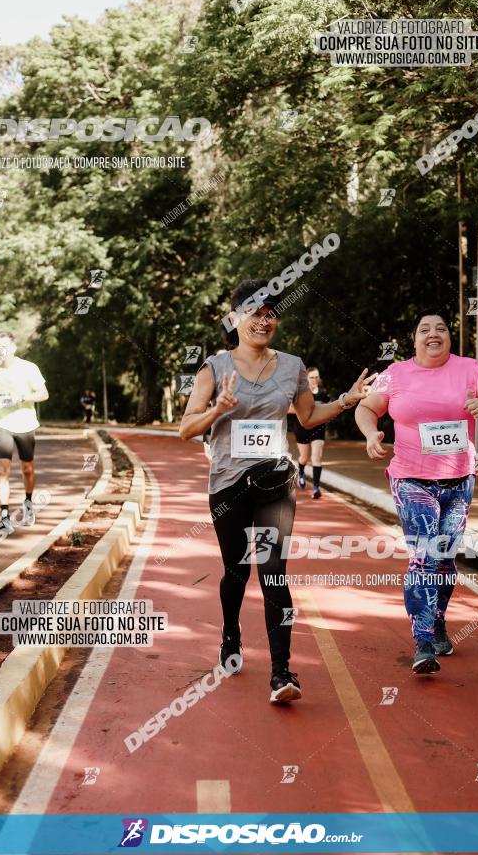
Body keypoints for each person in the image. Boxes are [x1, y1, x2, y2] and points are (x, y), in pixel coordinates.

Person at [179, 278, 374, 703]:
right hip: (228, 484)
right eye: (254, 312)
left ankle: (282, 671)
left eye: (271, 313)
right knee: (236, 569)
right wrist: (218, 410)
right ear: (235, 319)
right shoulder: (214, 369)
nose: (263, 320)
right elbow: (185, 428)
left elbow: (307, 417)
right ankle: (231, 635)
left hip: (275, 481)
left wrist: (346, 400)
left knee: (273, 572)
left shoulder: (291, 366)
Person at [355, 308, 478, 674]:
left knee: (443, 559)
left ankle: (437, 619)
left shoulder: (470, 369)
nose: (433, 333)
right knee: (423, 555)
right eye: (424, 329)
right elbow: (366, 408)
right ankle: (423, 639)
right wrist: (370, 434)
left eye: (441, 328)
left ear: (449, 338)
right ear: (415, 340)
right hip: (410, 478)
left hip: (458, 479)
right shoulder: (395, 375)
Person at [0, 331, 49, 528]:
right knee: (3, 470)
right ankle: (4, 517)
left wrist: (25, 398)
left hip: (25, 424)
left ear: (13, 348)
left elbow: (44, 394)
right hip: (1, 424)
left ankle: (28, 503)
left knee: (27, 468)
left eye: (3, 346)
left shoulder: (28, 368)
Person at [292, 367, 330, 498]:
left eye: (316, 377)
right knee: (304, 457)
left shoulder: (323, 392)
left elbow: (328, 409)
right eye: (312, 377)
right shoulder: (300, 393)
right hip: (302, 428)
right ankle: (301, 472)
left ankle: (316, 488)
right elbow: (289, 409)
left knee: (317, 457)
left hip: (318, 428)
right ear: (306, 378)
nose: (314, 380)